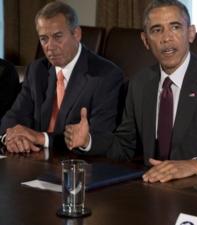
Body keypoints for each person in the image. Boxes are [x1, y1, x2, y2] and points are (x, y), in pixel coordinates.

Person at [64, 0, 197, 183]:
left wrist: (196, 166)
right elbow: (125, 146)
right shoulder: (139, 84)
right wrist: (88, 141)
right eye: (157, 30)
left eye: (175, 27)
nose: (166, 38)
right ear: (145, 40)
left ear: (191, 33)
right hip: (150, 192)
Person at [0, 2, 123, 153]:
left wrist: (41, 138)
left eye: (58, 37)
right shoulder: (37, 70)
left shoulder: (106, 75)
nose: (50, 46)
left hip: (78, 167)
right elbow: (12, 119)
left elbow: (100, 138)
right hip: (34, 163)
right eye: (44, 39)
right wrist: (11, 138)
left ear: (76, 34)